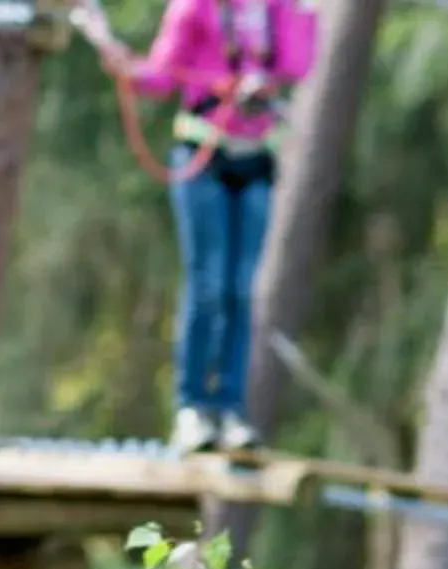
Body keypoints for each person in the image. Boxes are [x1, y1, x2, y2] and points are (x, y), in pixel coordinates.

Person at [91, 0, 318, 453]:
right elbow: (160, 77)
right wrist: (115, 54)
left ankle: (229, 409)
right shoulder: (197, 7)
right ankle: (192, 407)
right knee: (208, 284)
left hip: (256, 159)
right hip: (204, 154)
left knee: (240, 290)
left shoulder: (280, 10)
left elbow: (297, 64)